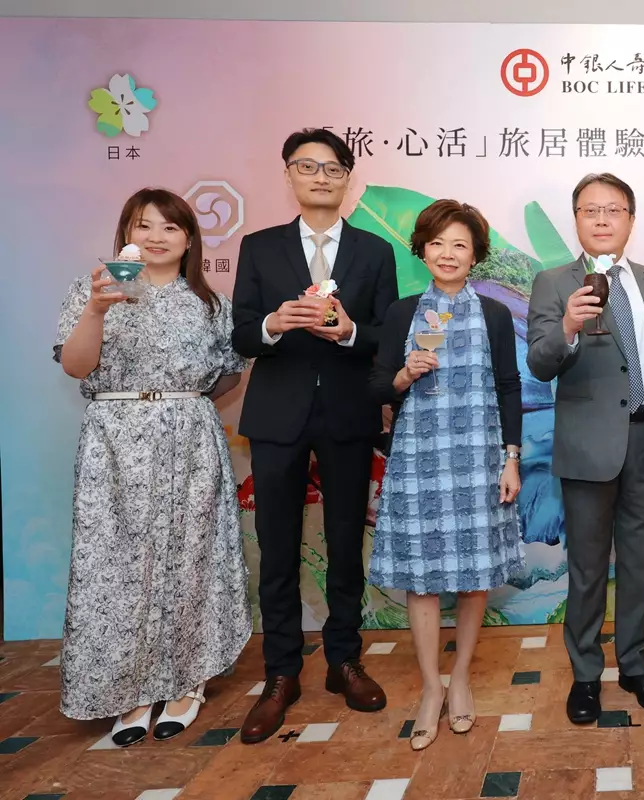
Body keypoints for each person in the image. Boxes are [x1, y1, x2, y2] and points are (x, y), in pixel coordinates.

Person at [54, 188, 252, 746]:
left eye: (170, 227)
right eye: (144, 225)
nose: (156, 237)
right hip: (114, 443)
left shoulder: (210, 303)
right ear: (126, 234)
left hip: (190, 441)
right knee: (114, 566)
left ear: (189, 239)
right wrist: (97, 310)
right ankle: (132, 691)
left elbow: (229, 374)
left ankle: (187, 683)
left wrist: (182, 406)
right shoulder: (93, 289)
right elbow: (75, 366)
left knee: (192, 558)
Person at [232, 127, 399, 743]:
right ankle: (281, 673)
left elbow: (387, 334)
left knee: (346, 541)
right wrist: (274, 323)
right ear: (289, 175)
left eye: (332, 168)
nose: (321, 177)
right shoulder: (259, 247)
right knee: (276, 546)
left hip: (349, 412)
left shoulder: (374, 251)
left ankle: (344, 660)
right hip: (278, 413)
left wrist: (351, 332)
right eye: (308, 166)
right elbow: (241, 333)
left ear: (348, 177)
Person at [526, 173, 644, 724]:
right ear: (576, 219)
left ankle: (636, 666)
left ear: (630, 219)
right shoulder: (554, 282)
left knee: (642, 563)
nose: (602, 219)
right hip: (587, 446)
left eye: (613, 209)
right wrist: (568, 327)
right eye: (590, 210)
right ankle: (584, 674)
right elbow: (539, 363)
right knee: (587, 567)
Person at [368, 199, 524, 750]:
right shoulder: (403, 312)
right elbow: (376, 386)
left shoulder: (495, 314)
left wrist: (511, 457)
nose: (448, 253)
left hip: (480, 458)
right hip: (419, 458)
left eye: (460, 244)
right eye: (437, 243)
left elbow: (509, 387)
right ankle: (431, 687)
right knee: (423, 576)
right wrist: (403, 374)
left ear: (475, 254)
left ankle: (460, 680)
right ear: (423, 250)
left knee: (474, 573)